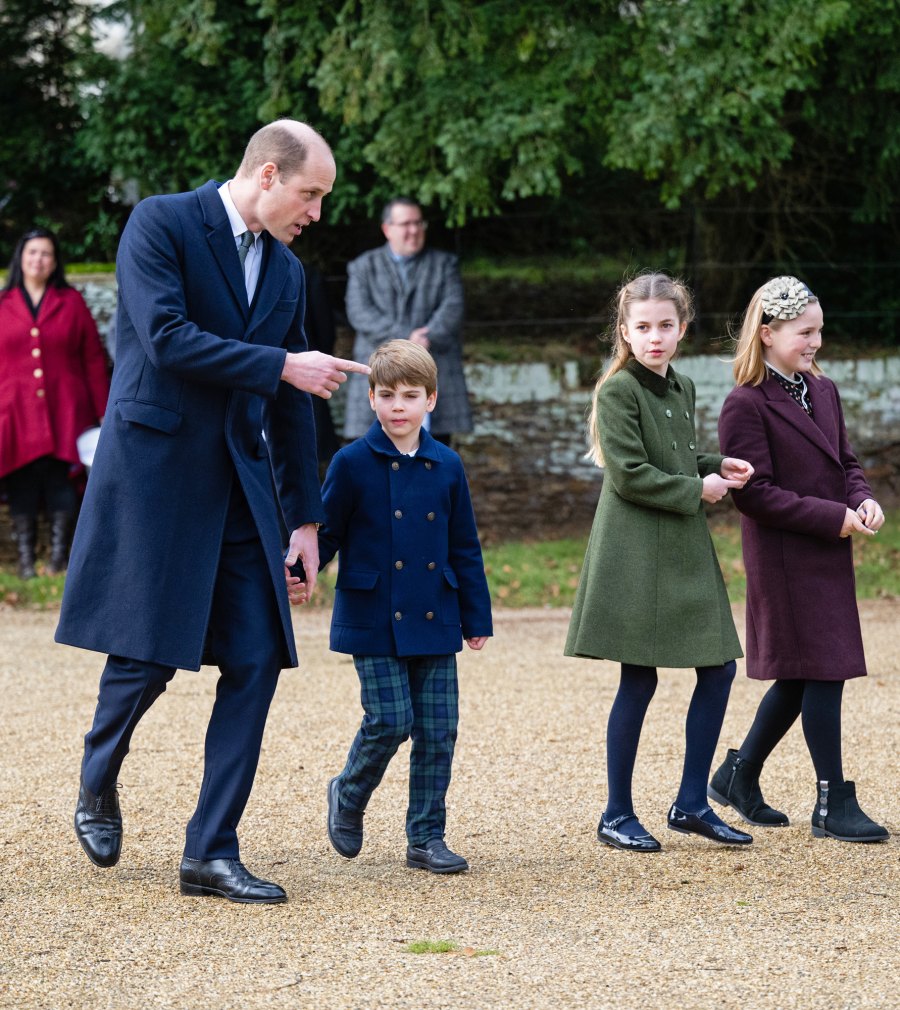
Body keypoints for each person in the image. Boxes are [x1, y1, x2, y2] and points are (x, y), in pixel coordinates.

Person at [56, 120, 370, 904]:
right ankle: (97, 776)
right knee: (148, 656)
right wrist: (282, 364)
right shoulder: (159, 223)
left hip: (240, 484)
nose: (317, 212)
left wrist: (305, 520)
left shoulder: (288, 271)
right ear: (267, 175)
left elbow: (294, 406)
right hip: (156, 472)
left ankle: (210, 851)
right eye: (311, 194)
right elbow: (167, 339)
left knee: (259, 657)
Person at [564, 272, 755, 853]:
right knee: (639, 677)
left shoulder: (683, 386)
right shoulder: (618, 390)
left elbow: (674, 455)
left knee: (718, 669)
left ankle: (691, 803)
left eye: (665, 326)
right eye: (643, 327)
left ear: (683, 328)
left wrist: (717, 464)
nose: (655, 337)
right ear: (624, 331)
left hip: (682, 543)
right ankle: (616, 814)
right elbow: (629, 474)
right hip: (634, 547)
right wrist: (699, 488)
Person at [300, 339, 492, 874]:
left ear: (431, 400)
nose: (398, 406)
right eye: (387, 395)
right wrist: (303, 569)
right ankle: (348, 791)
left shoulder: (447, 464)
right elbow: (327, 533)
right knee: (389, 720)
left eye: (410, 396)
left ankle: (426, 837)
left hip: (435, 612)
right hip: (373, 614)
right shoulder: (351, 463)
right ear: (371, 399)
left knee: (438, 730)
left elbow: (464, 545)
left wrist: (475, 615)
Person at [708, 275, 889, 843]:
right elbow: (754, 495)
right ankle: (833, 802)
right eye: (804, 332)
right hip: (785, 560)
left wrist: (862, 498)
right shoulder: (744, 404)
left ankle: (737, 775)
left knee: (799, 675)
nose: (816, 342)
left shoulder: (823, 390)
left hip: (827, 551)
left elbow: (846, 461)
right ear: (767, 333)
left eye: (819, 331)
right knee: (825, 670)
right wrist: (832, 516)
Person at [0, 228, 110, 578]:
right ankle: (25, 562)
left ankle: (60, 559)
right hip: (14, 411)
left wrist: (104, 413)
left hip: (66, 409)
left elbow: (93, 359)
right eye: (32, 252)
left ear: (54, 261)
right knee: (21, 480)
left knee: (62, 481)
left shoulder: (71, 302)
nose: (39, 260)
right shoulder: (3, 303)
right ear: (20, 257)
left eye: (46, 253)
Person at [342, 197, 472, 446]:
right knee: (374, 457)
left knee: (434, 455)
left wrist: (428, 336)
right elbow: (359, 313)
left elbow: (453, 308)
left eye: (418, 223)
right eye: (405, 224)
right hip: (379, 372)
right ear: (387, 229)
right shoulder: (363, 266)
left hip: (434, 370)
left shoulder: (445, 264)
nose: (414, 230)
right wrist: (408, 339)